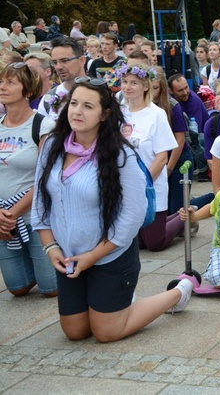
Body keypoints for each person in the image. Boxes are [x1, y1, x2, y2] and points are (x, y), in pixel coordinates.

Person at [32, 78, 193, 343]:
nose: (77, 111)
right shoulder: (52, 145)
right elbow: (40, 201)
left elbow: (133, 215)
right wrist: (51, 248)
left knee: (107, 332)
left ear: (105, 114)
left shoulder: (121, 154)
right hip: (70, 256)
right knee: (75, 331)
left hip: (111, 254)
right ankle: (113, 301)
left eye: (87, 106)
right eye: (73, 104)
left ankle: (178, 292)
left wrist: (93, 255)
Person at [0, 63, 57, 297]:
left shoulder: (43, 125)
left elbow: (46, 178)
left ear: (27, 90)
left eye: (10, 82)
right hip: (4, 220)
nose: (2, 87)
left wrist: (11, 215)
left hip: (34, 218)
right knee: (18, 289)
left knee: (51, 289)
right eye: (1, 81)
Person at [119, 63, 180, 251]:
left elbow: (162, 158)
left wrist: (143, 184)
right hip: (126, 185)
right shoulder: (119, 112)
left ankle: (184, 218)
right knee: (137, 244)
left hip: (149, 185)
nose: (128, 87)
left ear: (145, 86)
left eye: (134, 83)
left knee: (155, 243)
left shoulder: (156, 114)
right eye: (125, 82)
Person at [150, 65, 193, 215]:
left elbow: (180, 140)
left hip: (178, 159)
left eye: (154, 87)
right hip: (157, 160)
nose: (151, 91)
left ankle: (205, 202)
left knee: (177, 211)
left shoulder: (172, 106)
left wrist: (169, 168)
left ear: (162, 87)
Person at [169, 74, 210, 181]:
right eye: (180, 90)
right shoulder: (169, 101)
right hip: (180, 131)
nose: (185, 92)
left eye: (186, 87)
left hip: (202, 133)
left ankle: (203, 169)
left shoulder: (194, 100)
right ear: (171, 91)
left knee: (194, 140)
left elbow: (195, 129)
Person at [39, 37, 89, 120]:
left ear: (82, 61)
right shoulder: (48, 98)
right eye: (55, 62)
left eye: (65, 60)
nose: (58, 67)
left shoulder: (100, 92)